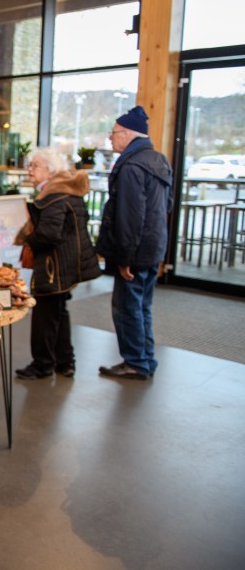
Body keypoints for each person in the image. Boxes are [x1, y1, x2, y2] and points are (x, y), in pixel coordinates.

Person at [95, 106, 173, 380]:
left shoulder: (131, 166)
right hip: (154, 248)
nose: (110, 139)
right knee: (142, 307)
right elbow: (167, 205)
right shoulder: (158, 159)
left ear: (128, 133)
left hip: (135, 253)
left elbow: (129, 217)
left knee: (127, 308)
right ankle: (145, 359)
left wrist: (125, 258)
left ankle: (136, 362)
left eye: (113, 133)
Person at [14, 147, 101, 380]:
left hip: (55, 267)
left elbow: (49, 235)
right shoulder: (66, 191)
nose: (29, 170)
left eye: (35, 166)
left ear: (50, 171)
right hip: (67, 264)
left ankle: (42, 364)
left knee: (45, 315)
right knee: (59, 313)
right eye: (30, 165)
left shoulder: (54, 197)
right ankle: (65, 362)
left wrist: (28, 240)